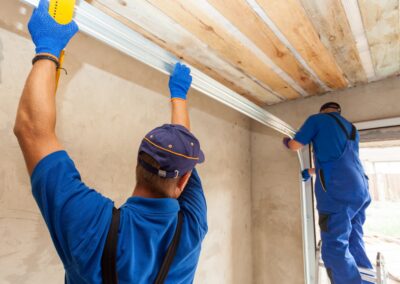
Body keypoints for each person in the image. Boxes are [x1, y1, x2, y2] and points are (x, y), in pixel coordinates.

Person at [14, 1, 207, 283]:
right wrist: (178, 95)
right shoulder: (191, 226)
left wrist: (48, 45)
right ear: (184, 180)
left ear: (137, 164)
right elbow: (30, 130)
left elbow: (34, 131)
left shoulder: (95, 228)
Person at [283, 102, 372, 284]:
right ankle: (367, 280)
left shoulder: (317, 120)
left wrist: (287, 141)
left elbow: (294, 145)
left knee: (334, 246)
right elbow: (339, 162)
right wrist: (310, 171)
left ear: (322, 111)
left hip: (338, 193)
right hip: (360, 188)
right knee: (354, 237)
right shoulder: (351, 128)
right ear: (339, 112)